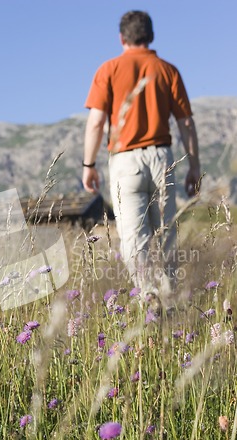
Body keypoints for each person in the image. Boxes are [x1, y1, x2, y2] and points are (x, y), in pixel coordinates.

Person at [82, 10, 201, 305]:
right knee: (165, 236)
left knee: (134, 240)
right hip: (163, 159)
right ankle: (169, 300)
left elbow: (96, 122)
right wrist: (194, 167)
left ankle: (147, 300)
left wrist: (89, 165)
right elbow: (186, 123)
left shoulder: (108, 69)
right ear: (151, 36)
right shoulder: (168, 70)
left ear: (121, 38)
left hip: (125, 162)